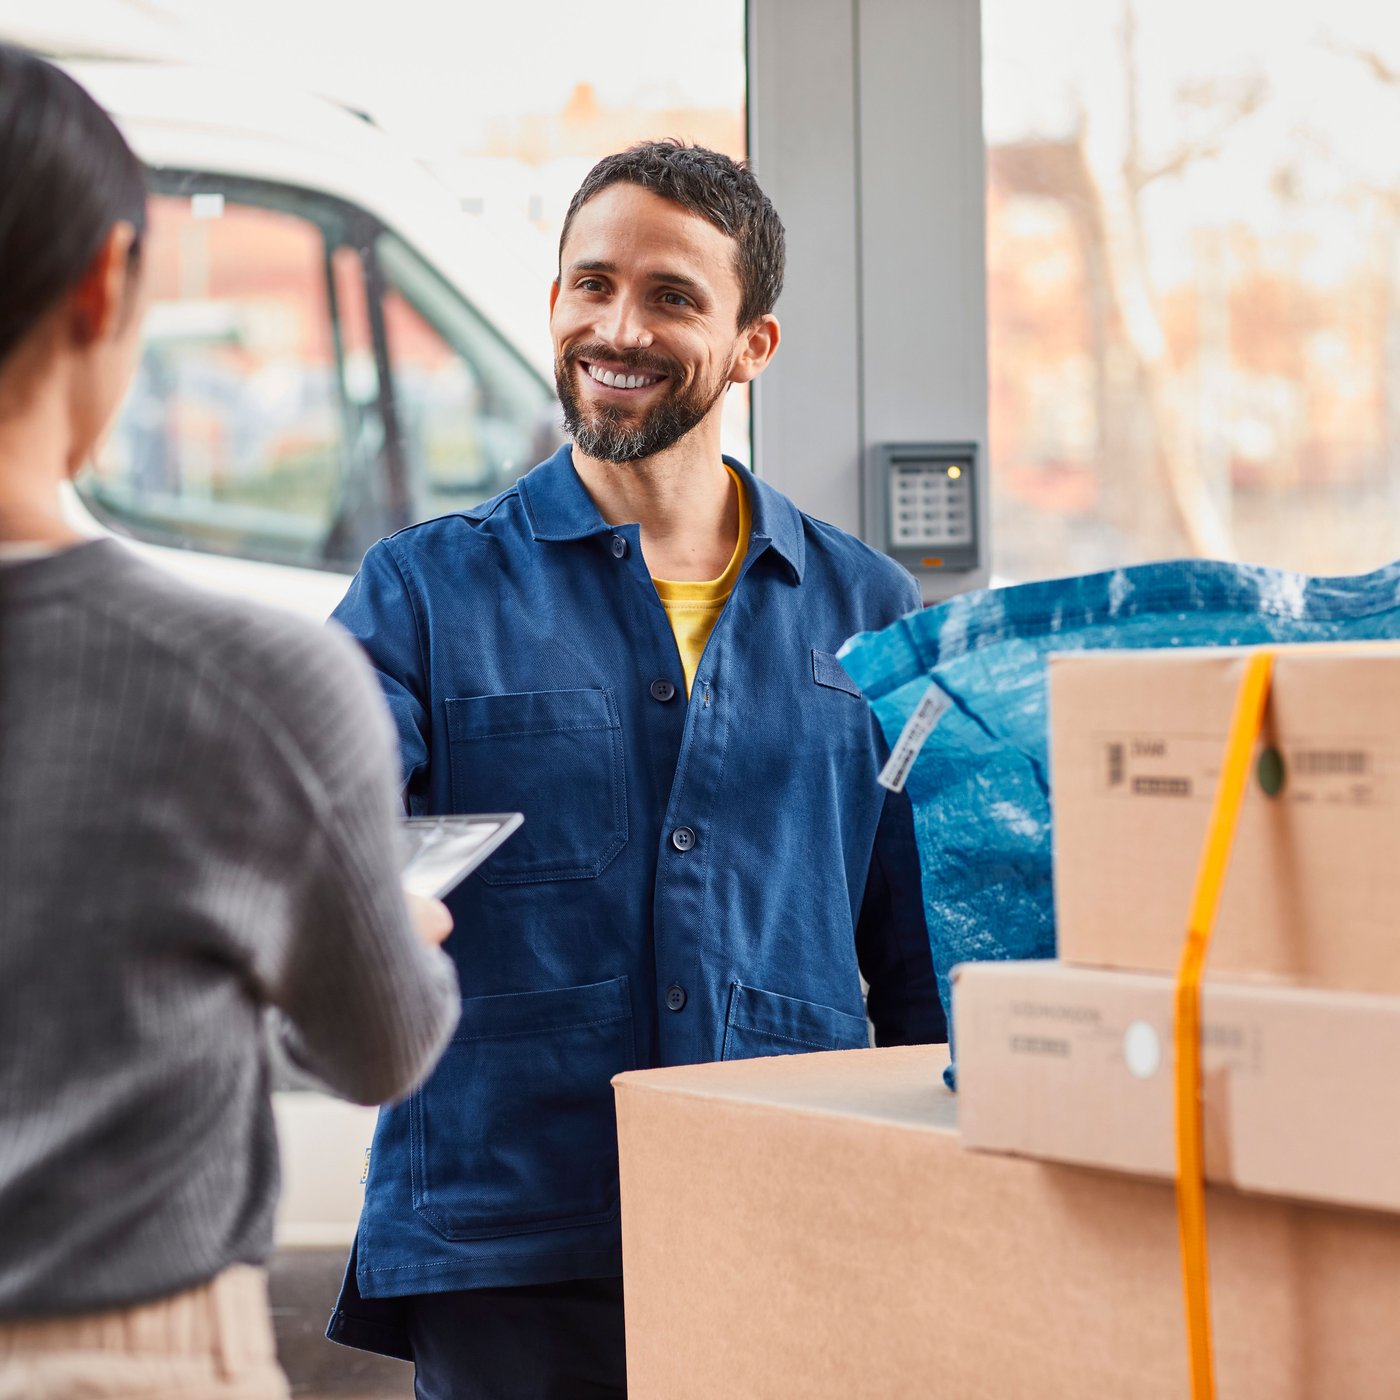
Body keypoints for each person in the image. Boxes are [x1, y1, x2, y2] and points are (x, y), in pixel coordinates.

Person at [327, 140, 946, 1399]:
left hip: (787, 1204)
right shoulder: (421, 591)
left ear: (750, 344)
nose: (618, 326)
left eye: (671, 296)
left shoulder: (869, 610)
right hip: (510, 1229)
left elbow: (917, 949)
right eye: (589, 283)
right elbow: (320, 839)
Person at [0, 47, 461, 1400]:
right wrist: (396, 928)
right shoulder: (258, 683)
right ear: (104, 286)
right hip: (113, 1356)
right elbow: (377, 1046)